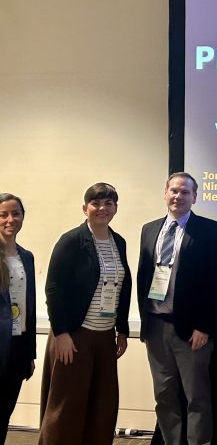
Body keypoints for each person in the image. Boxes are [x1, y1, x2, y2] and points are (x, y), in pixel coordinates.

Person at [39, 183, 131, 445]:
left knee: (102, 406)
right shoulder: (71, 241)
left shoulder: (119, 242)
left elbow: (123, 286)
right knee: (67, 407)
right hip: (74, 337)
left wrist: (122, 331)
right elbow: (53, 288)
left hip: (105, 338)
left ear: (115, 208)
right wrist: (62, 333)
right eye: (96, 203)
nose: (102, 208)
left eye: (109, 203)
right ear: (85, 208)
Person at [137, 172, 217, 445]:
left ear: (194, 198)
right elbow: (143, 276)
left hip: (191, 332)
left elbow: (216, 282)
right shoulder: (150, 229)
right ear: (165, 194)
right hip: (155, 327)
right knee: (163, 396)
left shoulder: (209, 230)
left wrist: (204, 326)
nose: (178, 196)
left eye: (185, 192)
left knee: (196, 397)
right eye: (174, 191)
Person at [0, 194, 36, 445]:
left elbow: (30, 307)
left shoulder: (27, 256)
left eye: (16, 213)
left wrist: (30, 354)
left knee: (4, 414)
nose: (10, 219)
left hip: (18, 346)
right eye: (3, 214)